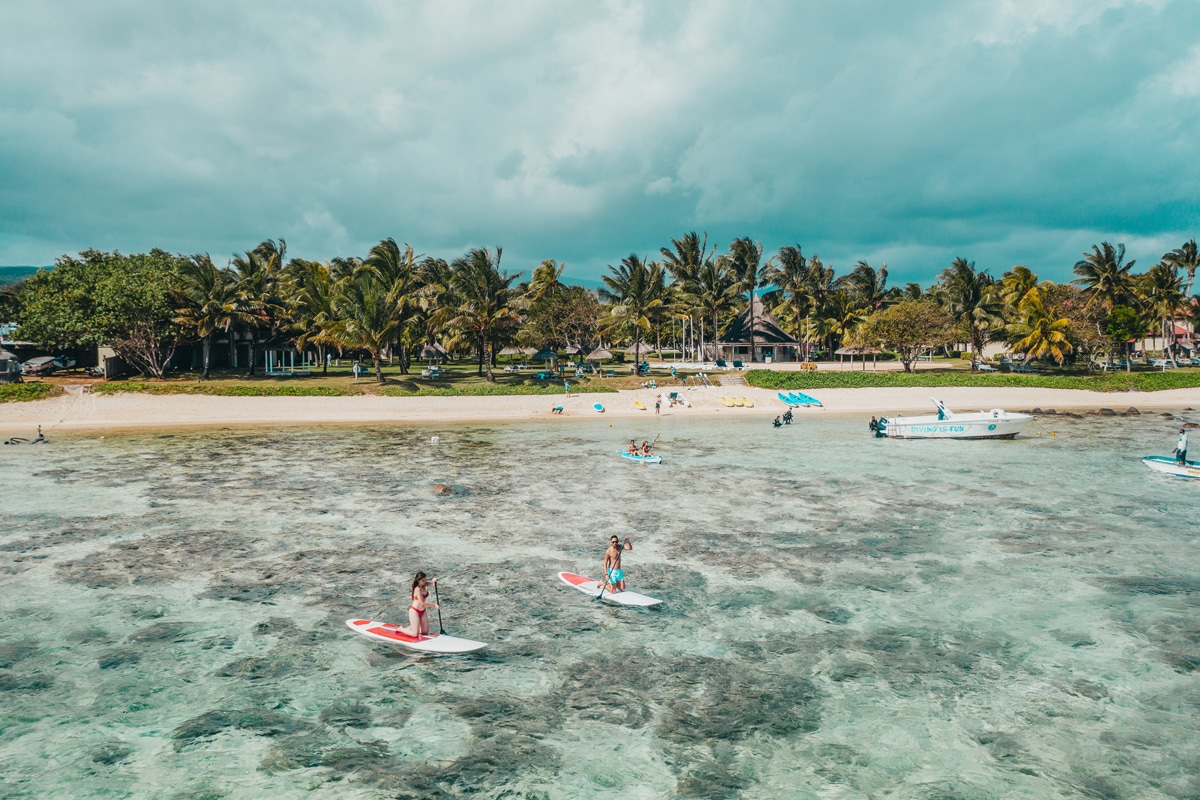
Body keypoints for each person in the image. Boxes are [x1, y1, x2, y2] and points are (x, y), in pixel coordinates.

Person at [398, 572, 439, 636]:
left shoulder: (424, 584)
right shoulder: (417, 589)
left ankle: (413, 626)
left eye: (425, 580)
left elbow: (433, 584)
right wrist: (434, 605)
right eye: (423, 580)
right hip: (414, 611)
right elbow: (422, 603)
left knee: (425, 633)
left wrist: (434, 580)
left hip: (423, 611)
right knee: (415, 634)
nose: (425, 582)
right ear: (418, 580)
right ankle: (401, 629)